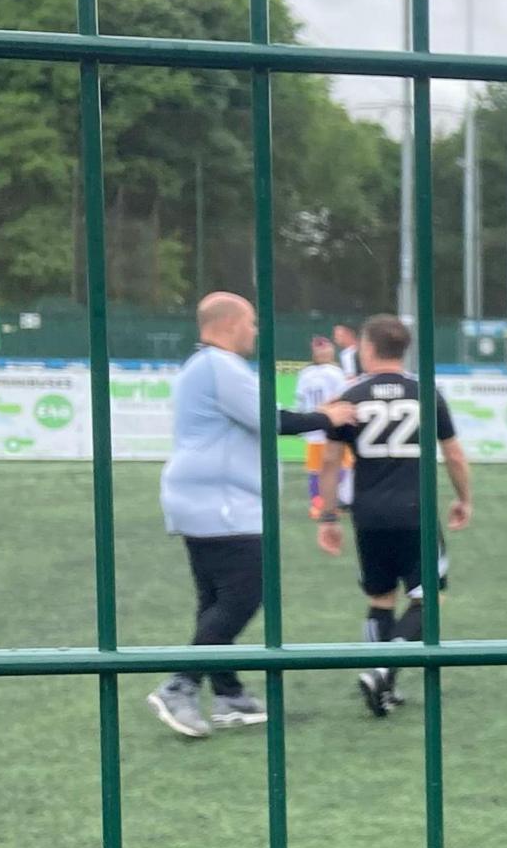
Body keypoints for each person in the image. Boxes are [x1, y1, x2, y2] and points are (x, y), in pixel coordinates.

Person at [148, 293, 352, 739]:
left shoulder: (199, 367)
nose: (256, 331)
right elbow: (271, 419)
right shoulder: (219, 366)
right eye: (253, 323)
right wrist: (328, 415)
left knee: (215, 601)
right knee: (243, 597)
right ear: (230, 324)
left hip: (202, 499)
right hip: (221, 504)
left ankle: (229, 695)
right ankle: (180, 685)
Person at [318, 314, 472, 716]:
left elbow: (331, 462)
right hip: (415, 511)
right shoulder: (426, 393)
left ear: (367, 348)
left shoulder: (349, 397)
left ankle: (381, 682)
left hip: (367, 514)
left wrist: (329, 517)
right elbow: (453, 454)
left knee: (380, 599)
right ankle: (385, 669)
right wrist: (464, 498)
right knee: (428, 600)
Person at [295, 334, 353, 543]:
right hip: (331, 427)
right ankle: (333, 503)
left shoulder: (306, 373)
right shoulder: (335, 373)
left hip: (312, 426)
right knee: (339, 465)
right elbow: (343, 397)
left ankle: (318, 504)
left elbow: (300, 400)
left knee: (316, 468)